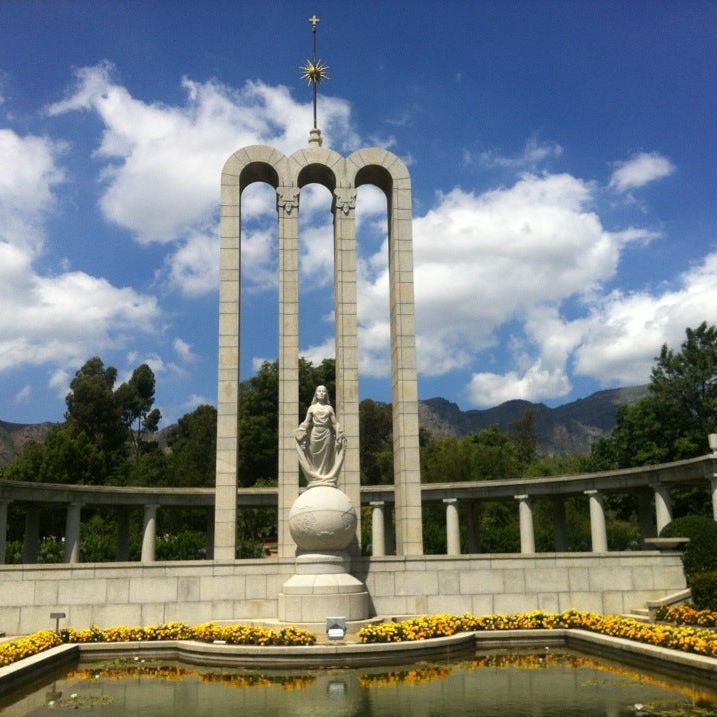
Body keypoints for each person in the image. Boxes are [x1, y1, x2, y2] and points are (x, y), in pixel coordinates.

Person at [294, 385, 346, 487]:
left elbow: (334, 423)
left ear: (326, 394)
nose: (321, 393)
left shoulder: (329, 408)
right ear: (316, 394)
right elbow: (306, 422)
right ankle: (316, 477)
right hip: (315, 433)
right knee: (314, 455)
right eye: (319, 391)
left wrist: (339, 432)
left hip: (327, 434)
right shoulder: (312, 408)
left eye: (323, 391)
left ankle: (324, 477)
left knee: (326, 457)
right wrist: (300, 431)